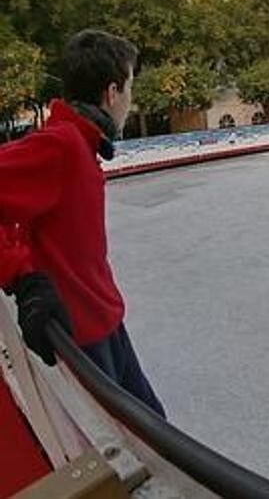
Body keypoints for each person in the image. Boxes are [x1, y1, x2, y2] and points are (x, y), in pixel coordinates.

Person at [0, 30, 165, 416]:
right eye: (130, 89)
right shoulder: (62, 145)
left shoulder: (79, 144)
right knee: (134, 451)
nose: (131, 100)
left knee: (156, 433)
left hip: (107, 322)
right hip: (83, 338)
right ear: (111, 93)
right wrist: (22, 277)